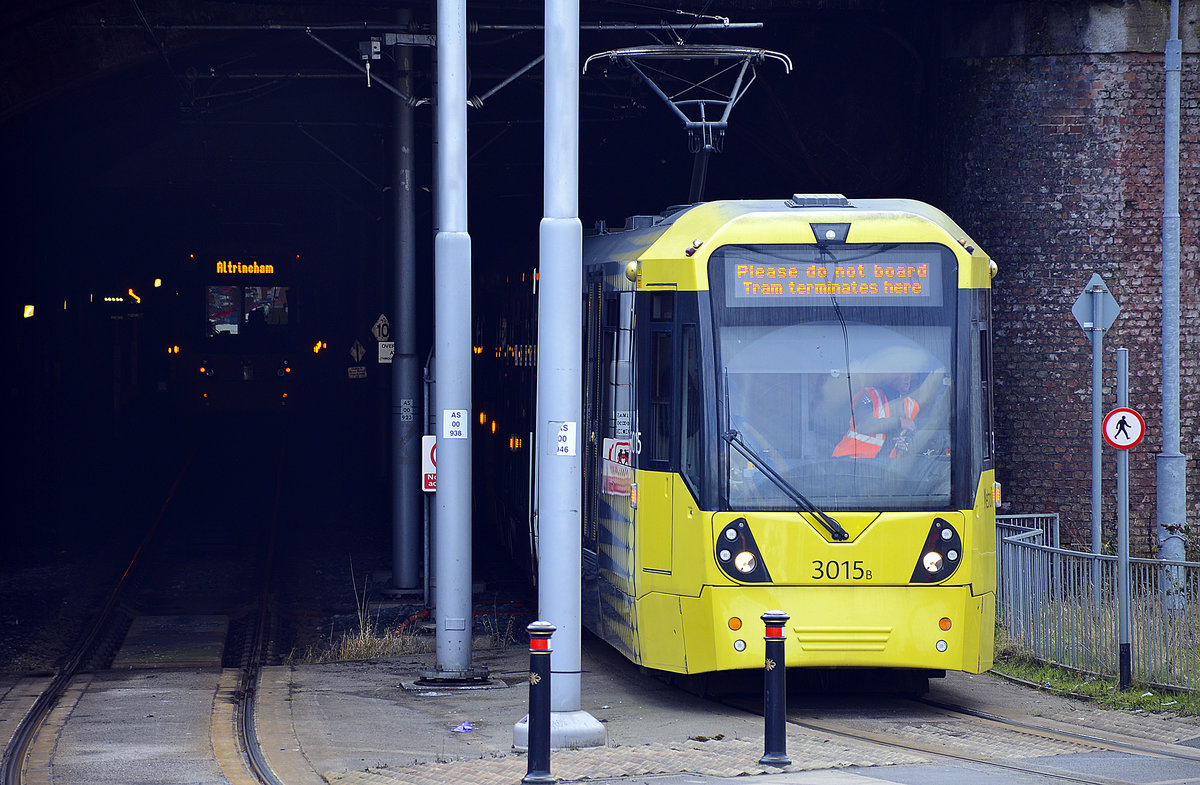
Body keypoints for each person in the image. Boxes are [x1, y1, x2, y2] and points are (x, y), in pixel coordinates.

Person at [832, 370, 947, 458]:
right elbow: (863, 425)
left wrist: (905, 447)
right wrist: (898, 422)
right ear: (888, 375)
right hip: (849, 464)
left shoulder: (910, 405)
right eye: (903, 372)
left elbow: (913, 437)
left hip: (884, 471)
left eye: (910, 374)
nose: (908, 377)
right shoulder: (869, 394)